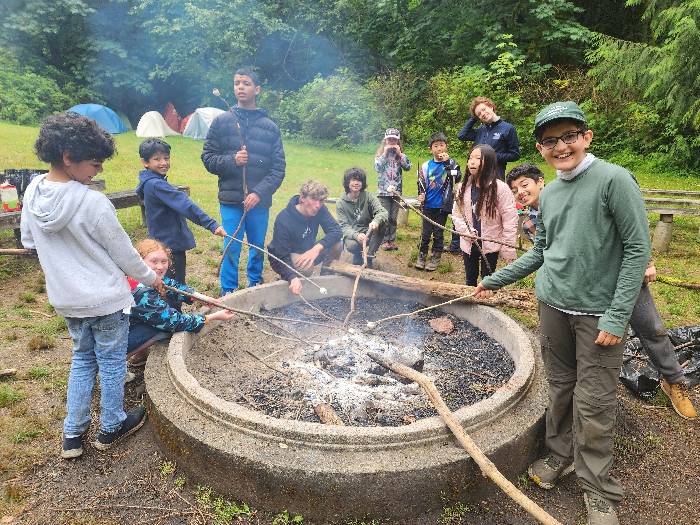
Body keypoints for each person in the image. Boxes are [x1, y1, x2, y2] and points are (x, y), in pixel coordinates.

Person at [474, 101, 651, 525]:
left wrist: (615, 316)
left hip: (597, 314)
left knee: (594, 400)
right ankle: (559, 455)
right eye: (551, 141)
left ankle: (598, 488)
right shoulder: (549, 192)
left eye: (569, 136)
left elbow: (636, 252)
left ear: (586, 137)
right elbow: (541, 250)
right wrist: (495, 280)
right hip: (552, 305)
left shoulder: (614, 180)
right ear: (540, 148)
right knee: (560, 387)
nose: (561, 146)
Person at [20, 112, 165, 459]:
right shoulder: (93, 202)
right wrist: (152, 279)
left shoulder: (32, 192)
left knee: (83, 360)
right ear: (69, 157)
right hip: (105, 301)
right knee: (112, 363)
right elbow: (127, 256)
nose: (98, 171)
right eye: (94, 163)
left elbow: (29, 241)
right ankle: (112, 425)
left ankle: (73, 434)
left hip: (67, 300)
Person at [507, 164, 697, 421]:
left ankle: (674, 381)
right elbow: (548, 256)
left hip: (622, 276)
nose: (520, 192)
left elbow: (628, 229)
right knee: (589, 353)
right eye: (514, 189)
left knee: (650, 327)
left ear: (541, 181)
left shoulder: (579, 193)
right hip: (584, 293)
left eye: (524, 184)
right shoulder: (530, 220)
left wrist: (647, 262)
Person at [202, 68, 285, 294]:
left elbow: (278, 169)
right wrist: (232, 161)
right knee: (231, 246)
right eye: (237, 83)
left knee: (257, 245)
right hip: (230, 199)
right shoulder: (221, 122)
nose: (240, 87)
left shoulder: (270, 127)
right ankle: (228, 290)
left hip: (259, 202)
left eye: (246, 83)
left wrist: (258, 193)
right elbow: (207, 158)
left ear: (256, 89)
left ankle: (254, 283)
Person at [126, 239, 235, 365]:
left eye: (164, 261)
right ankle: (116, 362)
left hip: (123, 329)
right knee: (163, 328)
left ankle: (138, 356)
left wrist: (200, 297)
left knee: (155, 319)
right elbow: (174, 322)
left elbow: (172, 286)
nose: (160, 266)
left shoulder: (139, 276)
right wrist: (212, 317)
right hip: (114, 343)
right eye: (154, 261)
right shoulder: (143, 293)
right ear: (140, 261)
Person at [137, 138, 226, 284]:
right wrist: (212, 225)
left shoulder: (152, 182)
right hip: (169, 246)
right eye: (157, 159)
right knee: (175, 283)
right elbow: (185, 205)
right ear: (145, 162)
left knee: (167, 282)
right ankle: (174, 306)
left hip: (163, 242)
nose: (164, 162)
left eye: (166, 158)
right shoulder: (156, 185)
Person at [452, 144, 517, 286]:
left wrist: (508, 248)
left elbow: (510, 220)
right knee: (470, 278)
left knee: (488, 280)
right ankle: (469, 301)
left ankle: (484, 303)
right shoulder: (463, 187)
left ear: (489, 162)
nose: (472, 162)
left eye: (478, 158)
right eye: (470, 158)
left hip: (491, 243)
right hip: (469, 242)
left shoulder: (500, 189)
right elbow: (456, 214)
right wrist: (465, 231)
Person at [267, 181, 342, 296]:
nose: (318, 205)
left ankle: (326, 278)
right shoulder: (284, 219)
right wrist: (292, 277)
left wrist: (316, 249)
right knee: (306, 269)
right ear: (302, 198)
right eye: (314, 199)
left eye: (321, 201)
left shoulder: (320, 210)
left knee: (337, 244)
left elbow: (336, 230)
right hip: (284, 256)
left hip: (309, 250)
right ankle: (292, 280)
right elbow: (280, 256)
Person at [416, 132, 461, 272]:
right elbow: (421, 182)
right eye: (436, 146)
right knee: (425, 233)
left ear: (446, 147)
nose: (439, 148)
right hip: (428, 204)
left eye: (442, 145)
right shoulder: (425, 165)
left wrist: (447, 163)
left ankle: (435, 257)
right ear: (431, 149)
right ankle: (421, 256)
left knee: (438, 233)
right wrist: (421, 194)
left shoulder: (452, 163)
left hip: (442, 205)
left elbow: (457, 177)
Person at [457, 96, 520, 179]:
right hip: (476, 175)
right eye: (479, 114)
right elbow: (462, 135)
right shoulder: (480, 130)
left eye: (483, 109)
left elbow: (515, 155)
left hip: (495, 175)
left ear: (490, 107)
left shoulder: (508, 128)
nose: (482, 114)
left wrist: (491, 156)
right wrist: (474, 118)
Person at [336, 167, 388, 268]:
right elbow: (343, 226)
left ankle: (369, 256)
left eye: (359, 180)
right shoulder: (340, 203)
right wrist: (356, 235)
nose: (356, 183)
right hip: (353, 234)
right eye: (353, 180)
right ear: (347, 182)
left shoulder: (368, 196)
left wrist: (376, 221)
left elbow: (383, 212)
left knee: (383, 223)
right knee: (352, 245)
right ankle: (358, 255)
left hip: (368, 231)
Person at [374, 128, 411, 251]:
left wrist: (400, 154)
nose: (391, 142)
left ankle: (391, 240)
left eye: (394, 140)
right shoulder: (380, 155)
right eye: (389, 139)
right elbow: (377, 168)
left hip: (396, 192)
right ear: (385, 141)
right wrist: (384, 154)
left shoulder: (400, 156)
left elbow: (407, 167)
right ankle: (384, 240)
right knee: (385, 217)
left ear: (398, 142)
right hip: (383, 192)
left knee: (393, 218)